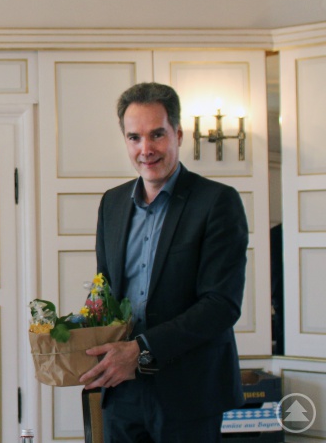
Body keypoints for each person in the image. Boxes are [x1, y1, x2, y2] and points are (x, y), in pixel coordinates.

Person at [79, 83, 248, 442]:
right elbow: (105, 291)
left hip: (189, 391)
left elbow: (221, 305)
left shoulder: (218, 202)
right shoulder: (111, 204)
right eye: (134, 137)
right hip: (123, 391)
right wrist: (72, 336)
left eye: (157, 134)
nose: (146, 149)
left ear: (179, 134)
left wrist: (140, 351)